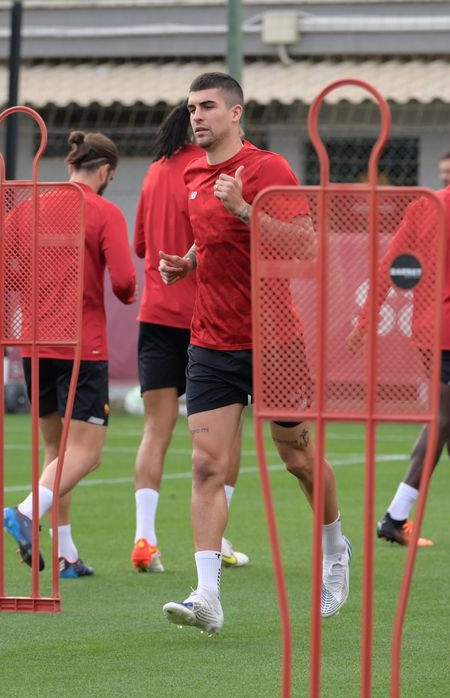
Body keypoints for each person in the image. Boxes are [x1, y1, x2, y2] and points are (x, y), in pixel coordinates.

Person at [157, 72, 351, 636]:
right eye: (192, 107)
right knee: (204, 466)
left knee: (298, 461)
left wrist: (246, 209)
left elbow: (306, 243)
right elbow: (211, 236)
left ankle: (335, 550)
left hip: (276, 344)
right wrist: (190, 262)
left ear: (236, 113)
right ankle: (206, 595)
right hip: (210, 342)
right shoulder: (192, 171)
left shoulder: (269, 170)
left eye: (209, 106)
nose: (197, 116)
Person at [0, 131, 137, 577]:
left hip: (35, 344)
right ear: (105, 172)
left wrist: (33, 290)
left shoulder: (27, 208)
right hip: (82, 344)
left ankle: (65, 553)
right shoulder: (103, 211)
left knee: (57, 451)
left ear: (69, 166)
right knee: (88, 454)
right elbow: (123, 281)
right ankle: (23, 512)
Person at [350, 140, 450, 547]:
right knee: (442, 421)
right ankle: (395, 517)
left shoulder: (425, 204)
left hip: (423, 331)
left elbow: (390, 265)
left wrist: (365, 319)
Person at [129, 104, 248, 574]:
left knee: (155, 430)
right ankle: (218, 540)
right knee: (229, 429)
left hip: (155, 312)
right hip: (206, 318)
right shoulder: (204, 172)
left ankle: (145, 536)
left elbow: (141, 244)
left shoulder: (154, 172)